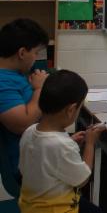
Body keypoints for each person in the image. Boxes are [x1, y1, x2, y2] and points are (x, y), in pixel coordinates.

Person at [18, 70, 104, 213]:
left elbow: (41, 155)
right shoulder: (63, 146)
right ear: (71, 110)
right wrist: (90, 144)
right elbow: (82, 179)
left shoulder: (29, 131)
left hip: (29, 206)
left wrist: (69, 141)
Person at [0, 19, 50, 186]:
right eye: (36, 53)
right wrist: (39, 89)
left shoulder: (15, 74)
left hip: (39, 149)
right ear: (22, 53)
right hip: (29, 165)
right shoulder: (3, 82)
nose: (36, 58)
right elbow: (23, 123)